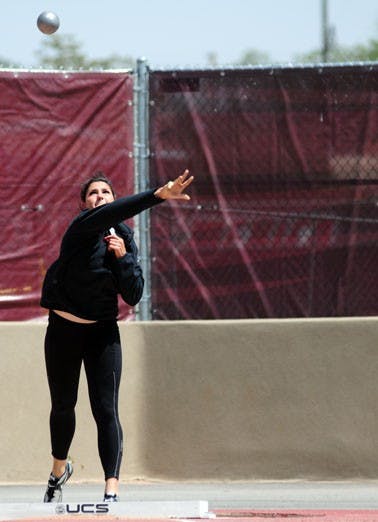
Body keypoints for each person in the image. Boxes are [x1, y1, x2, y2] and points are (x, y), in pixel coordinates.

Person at [40, 169, 194, 503]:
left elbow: (134, 293)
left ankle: (111, 489)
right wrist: (157, 195)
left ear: (113, 198)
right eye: (93, 193)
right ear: (84, 204)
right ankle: (58, 469)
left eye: (105, 193)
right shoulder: (80, 229)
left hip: (102, 333)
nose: (99, 198)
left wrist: (123, 257)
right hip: (64, 330)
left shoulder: (123, 238)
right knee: (63, 405)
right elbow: (113, 213)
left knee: (106, 410)